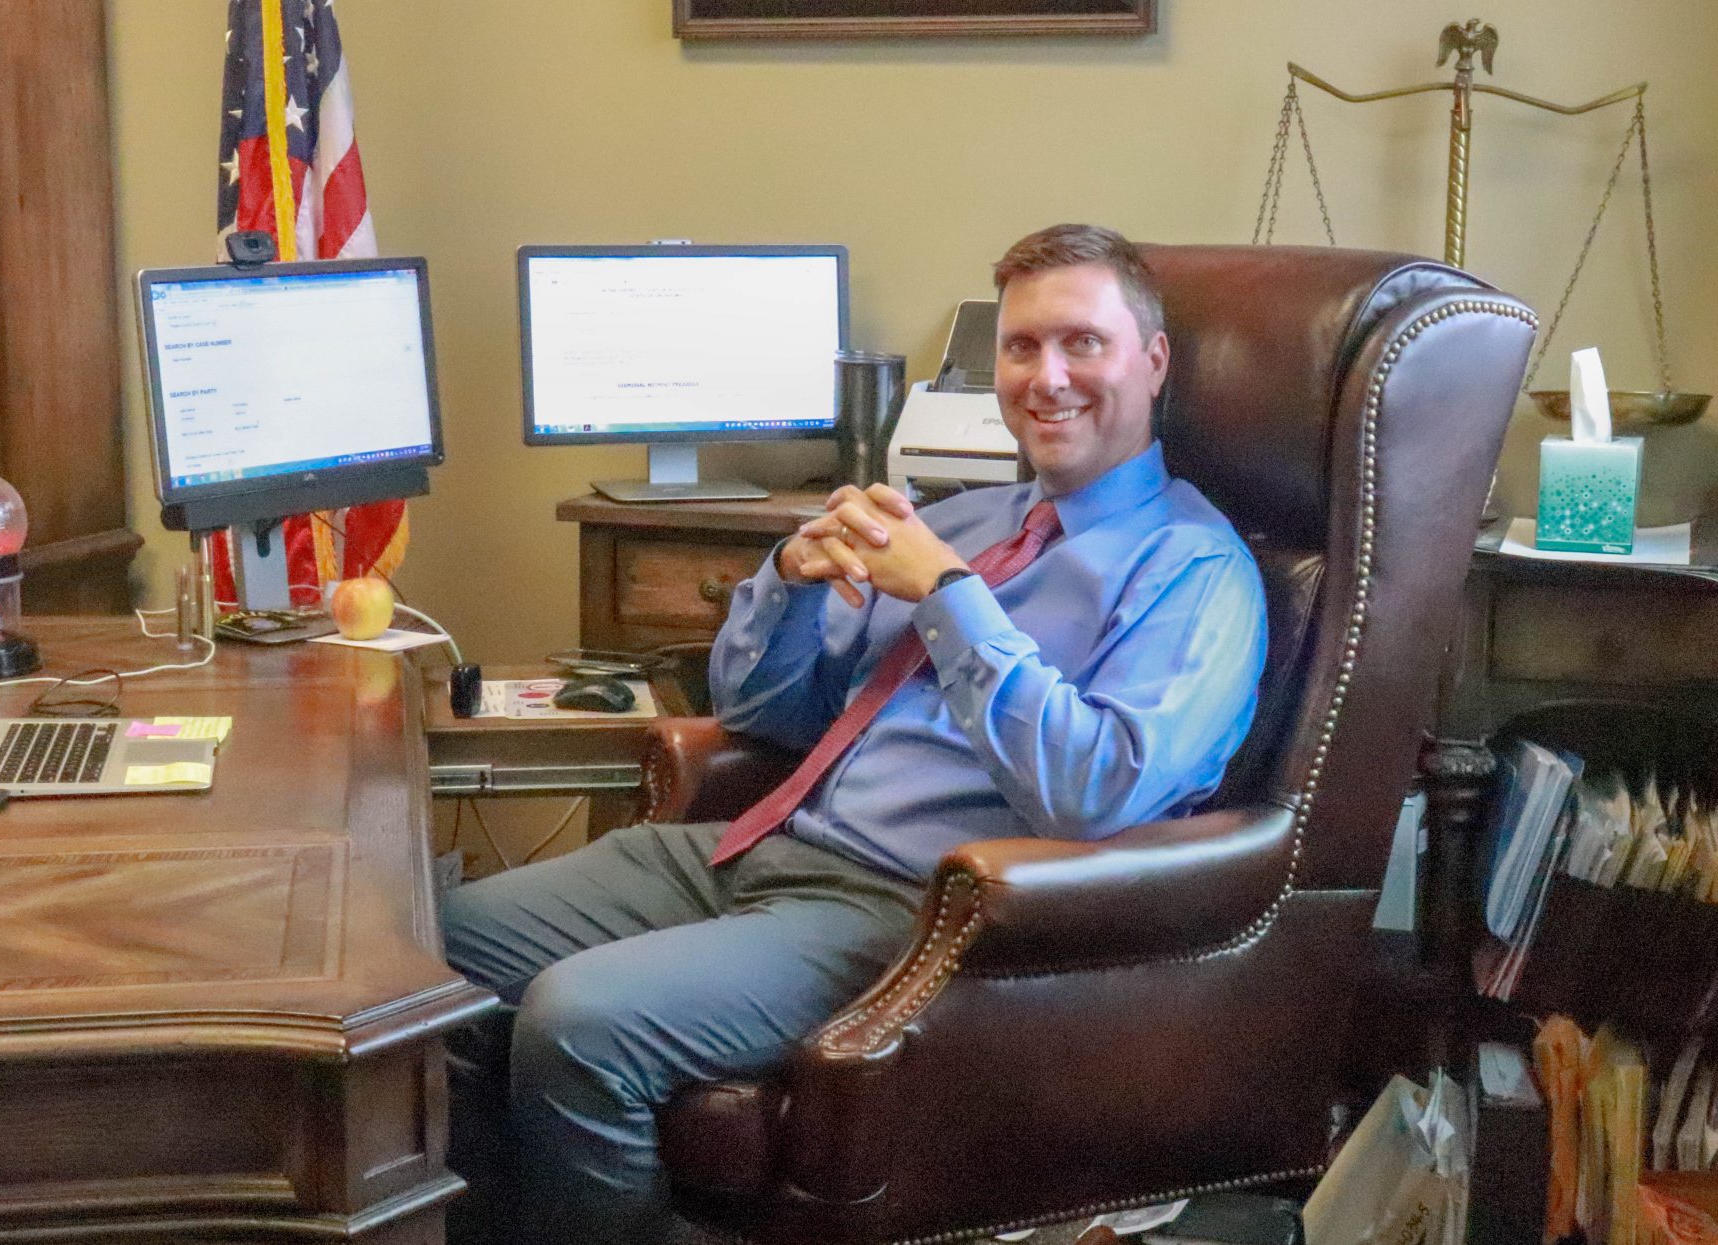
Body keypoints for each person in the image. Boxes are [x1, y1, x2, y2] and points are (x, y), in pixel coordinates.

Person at [439, 223, 1269, 1245]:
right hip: (756, 851)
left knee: (579, 1023)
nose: (1046, 378)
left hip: (914, 909)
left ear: (1152, 360)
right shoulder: (964, 519)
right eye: (1021, 348)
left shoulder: (1192, 569)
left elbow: (1096, 792)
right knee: (433, 952)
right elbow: (767, 714)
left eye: (1082, 344)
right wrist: (788, 580)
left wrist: (952, 599)